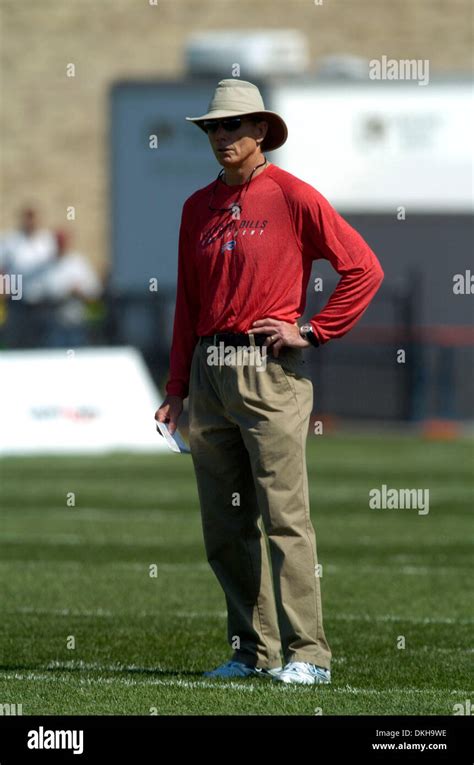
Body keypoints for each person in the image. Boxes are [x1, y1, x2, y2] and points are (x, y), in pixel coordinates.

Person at [155, 79, 384, 685]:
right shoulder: (195, 207)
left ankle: (308, 656)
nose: (220, 137)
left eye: (232, 126)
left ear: (261, 132)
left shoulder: (292, 195)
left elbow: (364, 268)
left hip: (268, 372)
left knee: (285, 519)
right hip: (209, 375)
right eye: (212, 128)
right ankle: (250, 653)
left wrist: (313, 331)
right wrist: (176, 387)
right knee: (224, 527)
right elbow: (188, 302)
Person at [0, 207, 56, 347]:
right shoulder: (11, 241)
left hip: (42, 299)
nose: (30, 221)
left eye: (33, 217)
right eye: (27, 217)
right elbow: (2, 267)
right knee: (18, 339)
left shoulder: (46, 240)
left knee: (43, 341)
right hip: (17, 296)